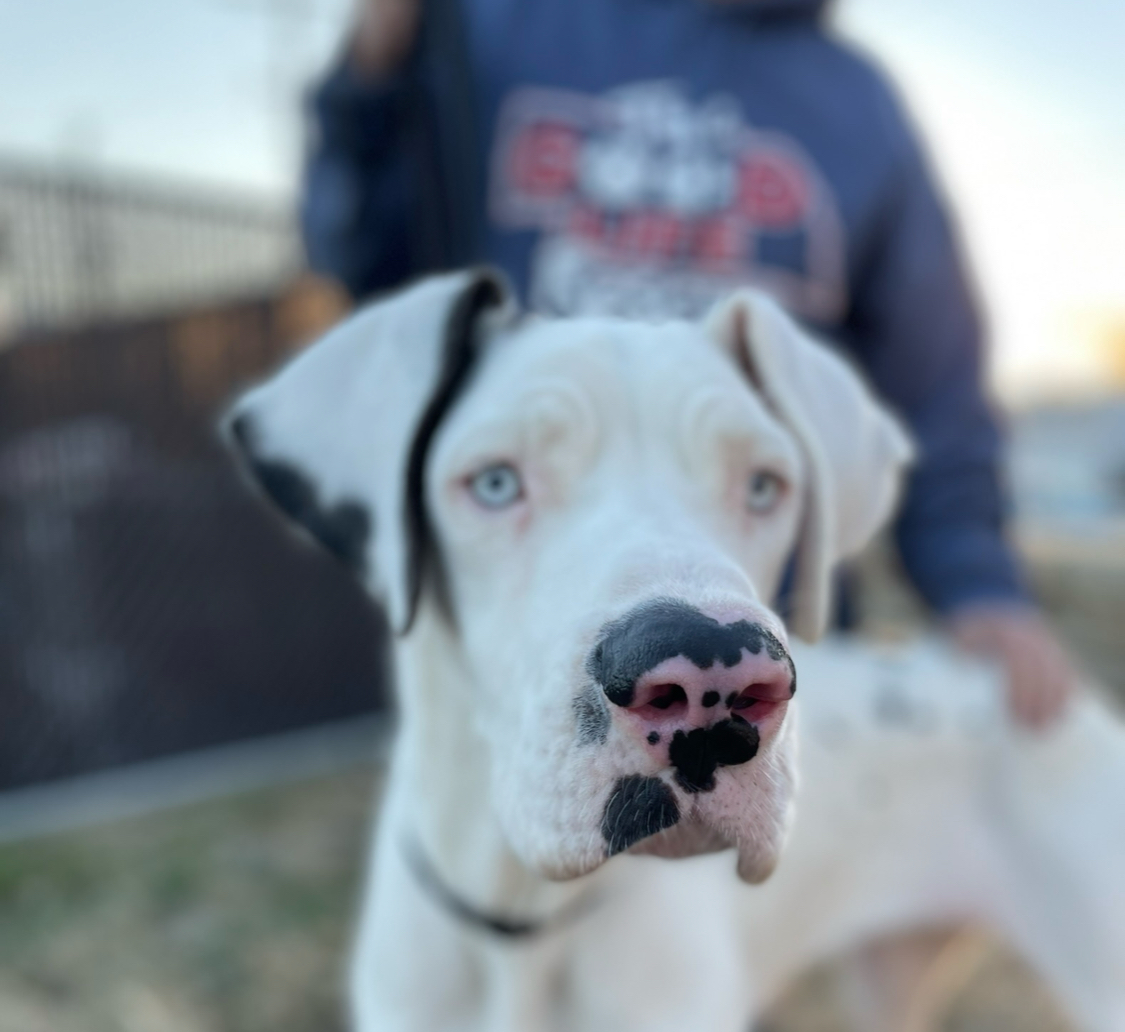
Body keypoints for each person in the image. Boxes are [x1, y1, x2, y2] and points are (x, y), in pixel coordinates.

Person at [301, 0, 1077, 728]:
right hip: (527, 641)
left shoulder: (854, 100)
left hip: (769, 655)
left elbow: (932, 373)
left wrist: (978, 585)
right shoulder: (490, 26)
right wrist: (372, 75)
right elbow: (365, 260)